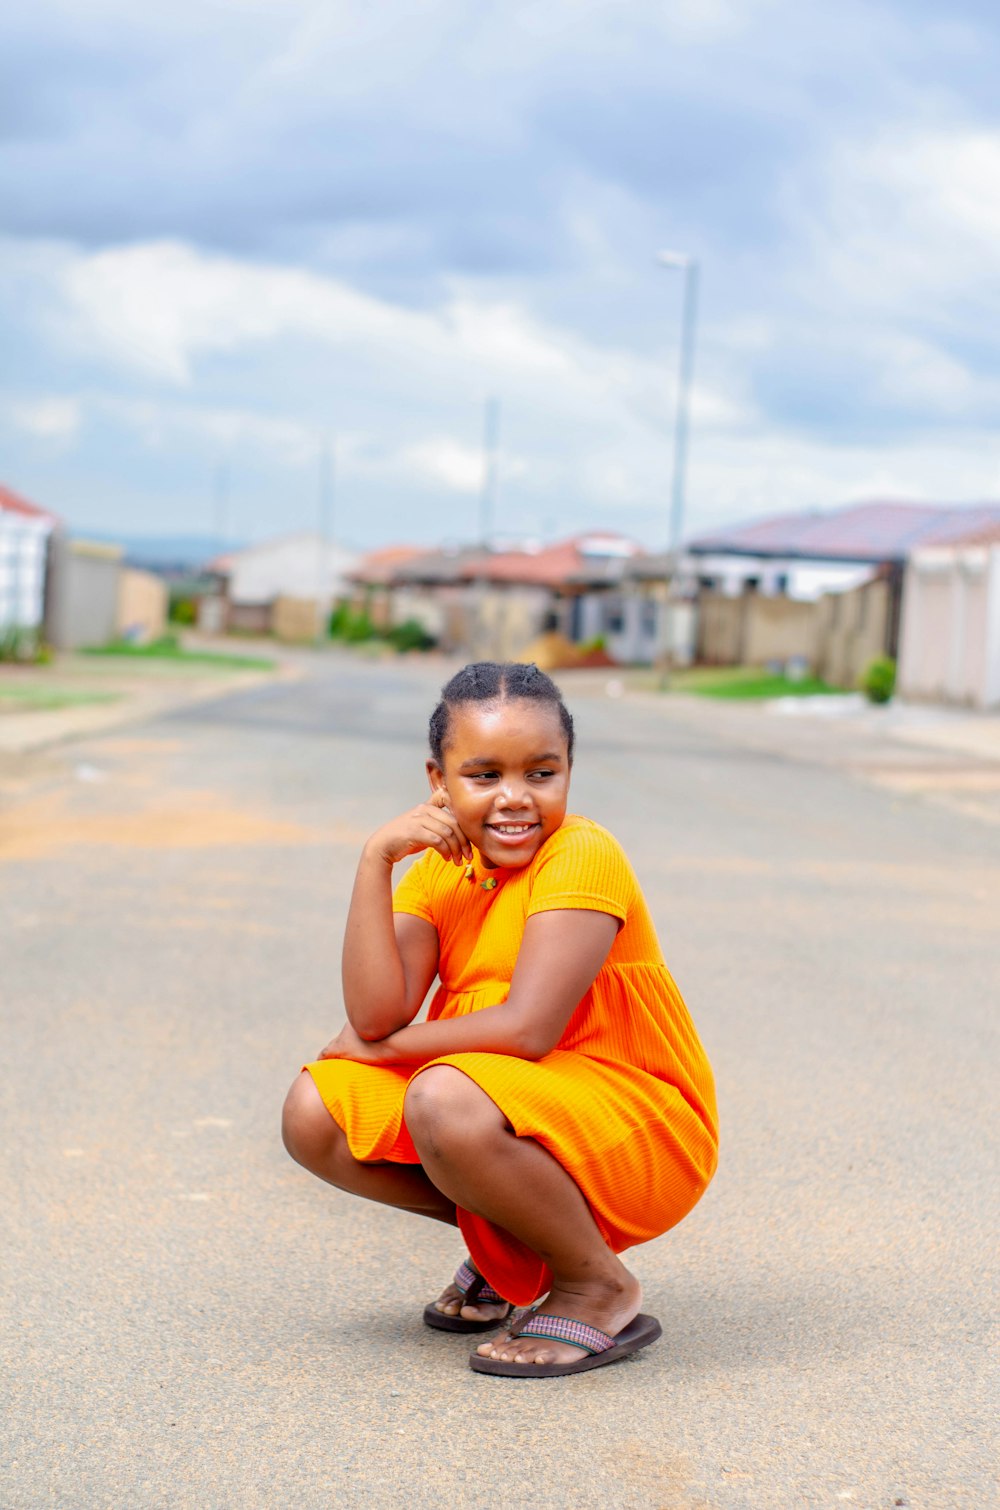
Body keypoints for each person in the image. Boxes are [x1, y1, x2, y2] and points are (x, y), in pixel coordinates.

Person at [281, 661, 718, 1378]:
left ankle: (595, 1284)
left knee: (441, 1095)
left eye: (541, 774)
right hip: (522, 1107)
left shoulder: (582, 853)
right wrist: (375, 861)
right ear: (438, 781)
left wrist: (386, 1046)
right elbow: (374, 1010)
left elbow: (527, 1030)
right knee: (315, 1109)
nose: (515, 799)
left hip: (639, 1122)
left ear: (569, 771)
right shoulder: (439, 869)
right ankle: (510, 1245)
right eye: (484, 776)